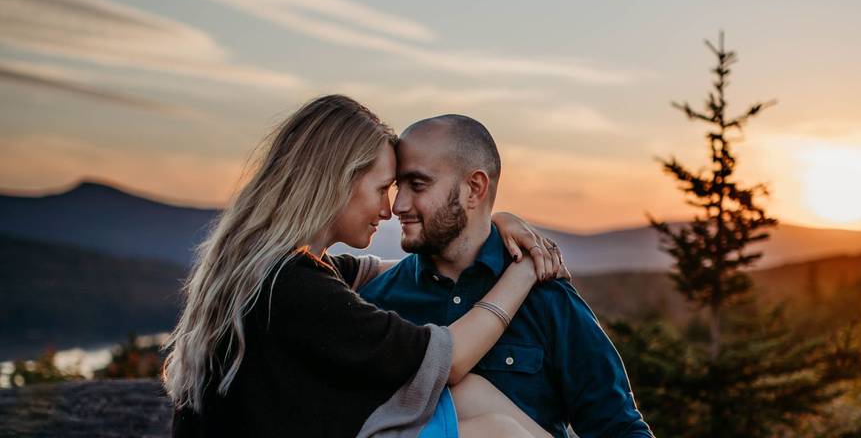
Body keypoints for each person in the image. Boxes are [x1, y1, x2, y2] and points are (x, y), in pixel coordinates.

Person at [163, 95, 560, 437]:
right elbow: (449, 359)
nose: (390, 209)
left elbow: (388, 271)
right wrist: (524, 270)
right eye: (382, 189)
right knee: (498, 432)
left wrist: (488, 228)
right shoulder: (292, 289)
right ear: (338, 182)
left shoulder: (270, 267)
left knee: (471, 396)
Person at [360, 115, 656, 438]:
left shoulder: (547, 297)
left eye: (417, 185)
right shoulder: (378, 302)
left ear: (474, 188)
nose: (398, 205)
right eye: (396, 186)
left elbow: (619, 428)